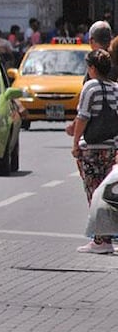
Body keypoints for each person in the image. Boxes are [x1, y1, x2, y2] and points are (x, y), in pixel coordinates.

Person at [70, 49, 118, 253]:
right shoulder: (116, 88)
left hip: (90, 149)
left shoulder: (90, 87)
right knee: (106, 193)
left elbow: (83, 117)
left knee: (93, 192)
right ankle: (106, 237)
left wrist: (74, 144)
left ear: (92, 68)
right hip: (110, 149)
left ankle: (101, 240)